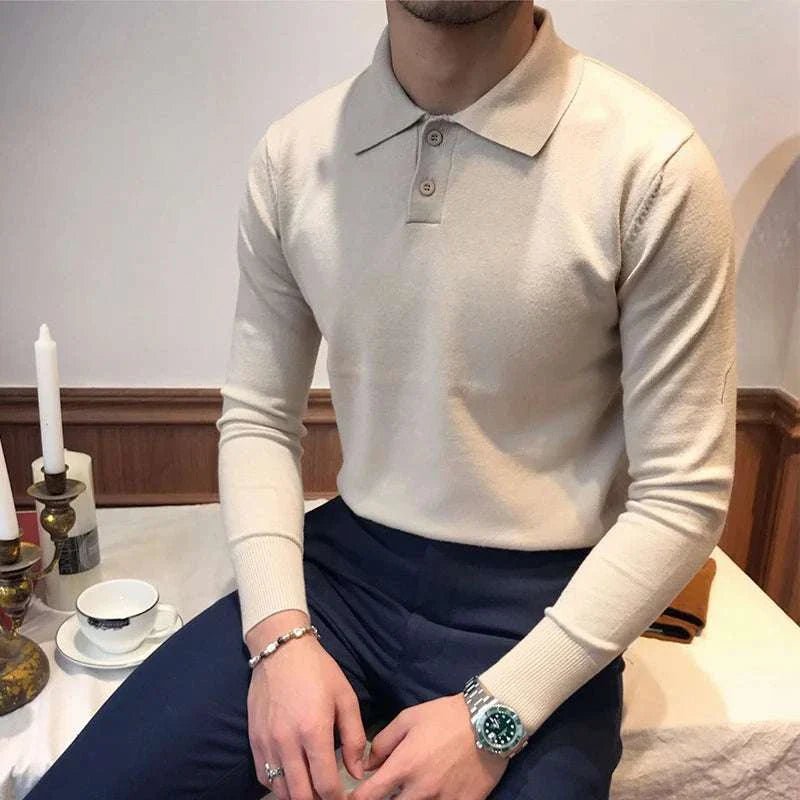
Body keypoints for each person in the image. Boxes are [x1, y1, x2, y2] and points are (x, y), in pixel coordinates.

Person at [25, 2, 737, 799]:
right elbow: (258, 417)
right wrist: (279, 636)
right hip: (346, 575)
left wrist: (497, 714)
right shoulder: (294, 156)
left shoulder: (653, 164)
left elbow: (682, 494)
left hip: (547, 600)